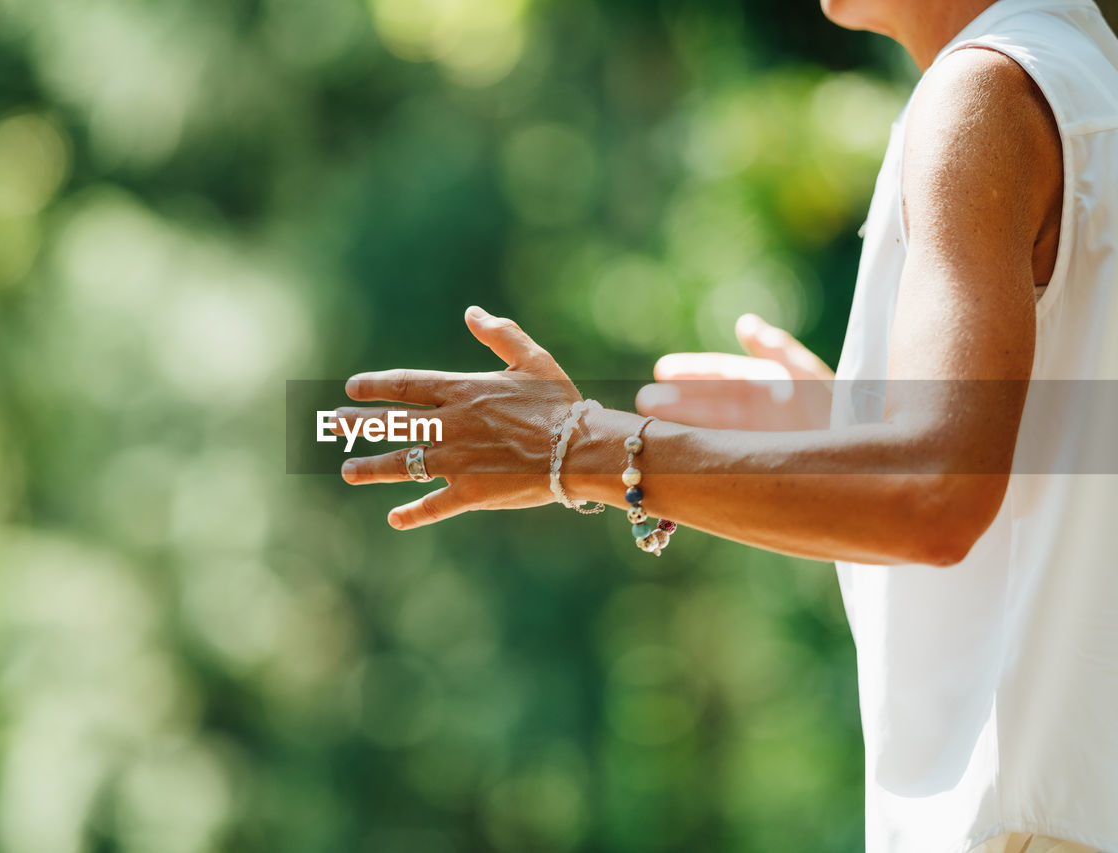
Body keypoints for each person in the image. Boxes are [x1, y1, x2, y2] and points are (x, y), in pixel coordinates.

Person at [338, 0, 1118, 850]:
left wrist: (579, 446)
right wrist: (842, 424)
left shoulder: (984, 91)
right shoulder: (1085, 86)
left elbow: (932, 494)